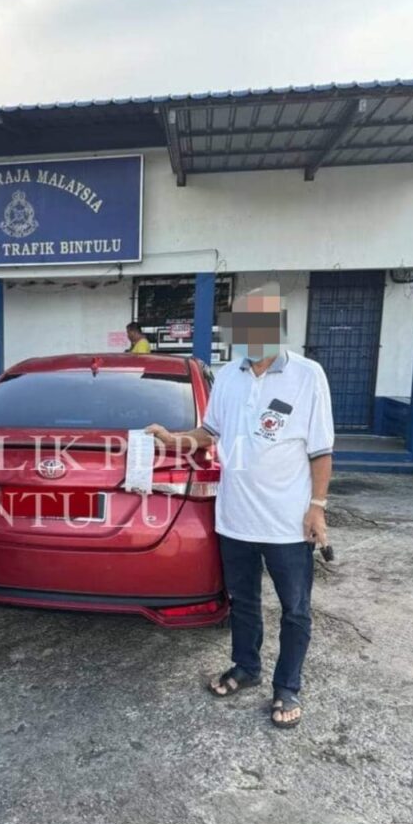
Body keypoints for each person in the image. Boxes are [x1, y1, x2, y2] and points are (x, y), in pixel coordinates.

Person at [145, 290, 333, 730]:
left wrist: (317, 507)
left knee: (295, 609)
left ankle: (287, 687)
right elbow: (209, 433)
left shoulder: (308, 375)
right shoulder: (229, 376)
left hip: (287, 523)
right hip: (235, 519)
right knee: (243, 601)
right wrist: (172, 439)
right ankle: (246, 667)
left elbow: (321, 450)